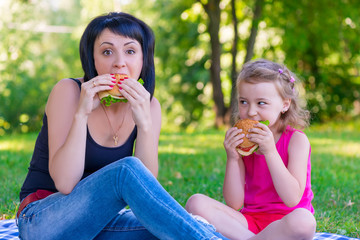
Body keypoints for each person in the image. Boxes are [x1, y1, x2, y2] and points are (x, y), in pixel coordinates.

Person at [17, 12, 227, 240]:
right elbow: (65, 184)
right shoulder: (69, 92)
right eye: (107, 52)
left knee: (173, 228)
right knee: (126, 171)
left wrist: (144, 125)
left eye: (130, 51)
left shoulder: (150, 106)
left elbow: (146, 192)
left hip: (96, 223)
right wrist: (82, 114)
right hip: (40, 221)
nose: (119, 62)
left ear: (143, 59)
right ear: (93, 59)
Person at [185, 59, 316, 240]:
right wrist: (233, 158)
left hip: (287, 223)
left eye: (261, 103)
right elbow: (234, 203)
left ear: (285, 104)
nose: (251, 111)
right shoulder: (243, 143)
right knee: (196, 202)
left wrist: (270, 152)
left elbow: (292, 198)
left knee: (305, 221)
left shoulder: (297, 140)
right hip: (249, 222)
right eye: (244, 102)